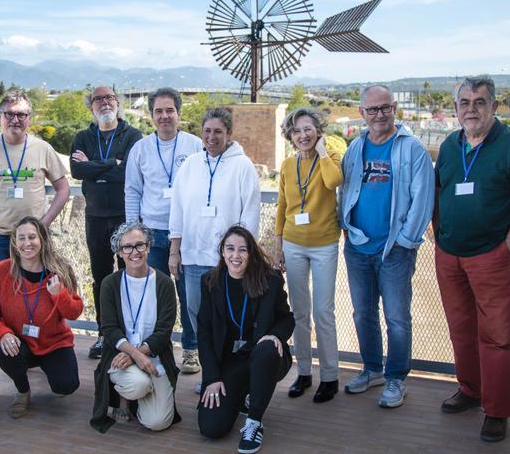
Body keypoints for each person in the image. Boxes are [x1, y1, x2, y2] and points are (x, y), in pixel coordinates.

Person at [434, 76, 510, 442]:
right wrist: (438, 232)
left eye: (480, 102)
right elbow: (440, 189)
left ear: (494, 106)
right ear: (455, 108)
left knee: (497, 337)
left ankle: (496, 412)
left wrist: (509, 245)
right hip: (450, 256)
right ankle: (470, 391)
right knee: (460, 329)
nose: (471, 109)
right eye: (464, 102)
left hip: (491, 257)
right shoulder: (450, 145)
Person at [339, 85, 434, 408]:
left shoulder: (411, 149)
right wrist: (347, 229)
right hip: (358, 247)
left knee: (396, 317)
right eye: (372, 110)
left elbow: (423, 199)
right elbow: (347, 192)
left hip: (394, 250)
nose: (379, 115)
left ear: (395, 108)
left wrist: (406, 241)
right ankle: (372, 369)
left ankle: (396, 379)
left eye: (385, 108)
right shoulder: (356, 147)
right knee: (363, 314)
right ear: (361, 113)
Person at [168, 107, 261, 390]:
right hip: (194, 255)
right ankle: (212, 373)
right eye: (207, 131)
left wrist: (242, 256)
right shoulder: (191, 164)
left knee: (230, 318)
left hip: (227, 261)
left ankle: (231, 374)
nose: (211, 137)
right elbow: (178, 208)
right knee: (198, 317)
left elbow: (250, 212)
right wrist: (175, 249)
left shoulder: (242, 165)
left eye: (218, 131)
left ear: (229, 133)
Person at [125, 87, 203, 374]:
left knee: (189, 295)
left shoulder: (195, 145)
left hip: (186, 234)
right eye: (158, 111)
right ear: (151, 115)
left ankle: (192, 350)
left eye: (170, 110)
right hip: (152, 234)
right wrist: (134, 233)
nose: (164, 116)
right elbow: (132, 191)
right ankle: (157, 349)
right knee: (155, 296)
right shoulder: (141, 149)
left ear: (179, 113)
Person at [197, 226, 294, 454]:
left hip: (265, 358)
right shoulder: (210, 282)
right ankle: (244, 393)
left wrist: (275, 335)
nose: (236, 256)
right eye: (230, 249)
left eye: (243, 250)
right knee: (211, 428)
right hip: (231, 362)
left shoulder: (269, 280)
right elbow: (204, 334)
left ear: (251, 253)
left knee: (267, 349)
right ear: (222, 251)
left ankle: (254, 422)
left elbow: (287, 319)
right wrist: (211, 378)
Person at [272, 107, 344, 403]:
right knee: (300, 313)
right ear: (289, 135)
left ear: (318, 131)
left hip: (325, 243)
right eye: (297, 131)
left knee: (323, 312)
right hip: (293, 243)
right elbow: (281, 205)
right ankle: (303, 372)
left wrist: (323, 150)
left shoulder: (330, 159)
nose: (303, 135)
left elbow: (332, 182)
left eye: (308, 129)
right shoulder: (288, 165)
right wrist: (278, 244)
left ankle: (330, 376)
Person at [0, 216, 83, 418]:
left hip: (54, 342)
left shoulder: (59, 269)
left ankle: (49, 367)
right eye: (21, 238)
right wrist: (3, 334)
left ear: (42, 240)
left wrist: (58, 295)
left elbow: (74, 311)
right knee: (7, 352)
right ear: (15, 243)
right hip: (20, 342)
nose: (27, 243)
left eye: (32, 237)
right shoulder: (3, 271)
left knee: (67, 386)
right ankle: (22, 391)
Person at [71, 86, 143, 359]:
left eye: (109, 98)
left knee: (130, 276)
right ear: (91, 106)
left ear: (118, 103)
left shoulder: (133, 136)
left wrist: (95, 165)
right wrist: (113, 161)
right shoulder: (83, 137)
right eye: (98, 99)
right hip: (95, 217)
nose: (104, 103)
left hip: (126, 218)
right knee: (101, 279)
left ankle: (131, 334)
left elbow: (129, 174)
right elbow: (77, 170)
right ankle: (105, 334)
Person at [0, 90, 70, 266]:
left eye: (21, 114)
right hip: (0, 238)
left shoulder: (43, 149)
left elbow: (63, 189)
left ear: (29, 118)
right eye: (9, 114)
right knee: (5, 290)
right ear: (0, 117)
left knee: (38, 287)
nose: (15, 119)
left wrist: (44, 225)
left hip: (35, 237)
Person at [91, 221, 181, 433]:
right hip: (119, 355)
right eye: (127, 247)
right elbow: (109, 328)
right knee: (139, 384)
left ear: (148, 247)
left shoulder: (164, 283)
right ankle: (126, 396)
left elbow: (164, 332)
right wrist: (133, 354)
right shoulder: (109, 284)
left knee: (158, 423)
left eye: (140, 245)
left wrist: (136, 356)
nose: (134, 252)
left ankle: (136, 399)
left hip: (154, 357)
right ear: (119, 252)